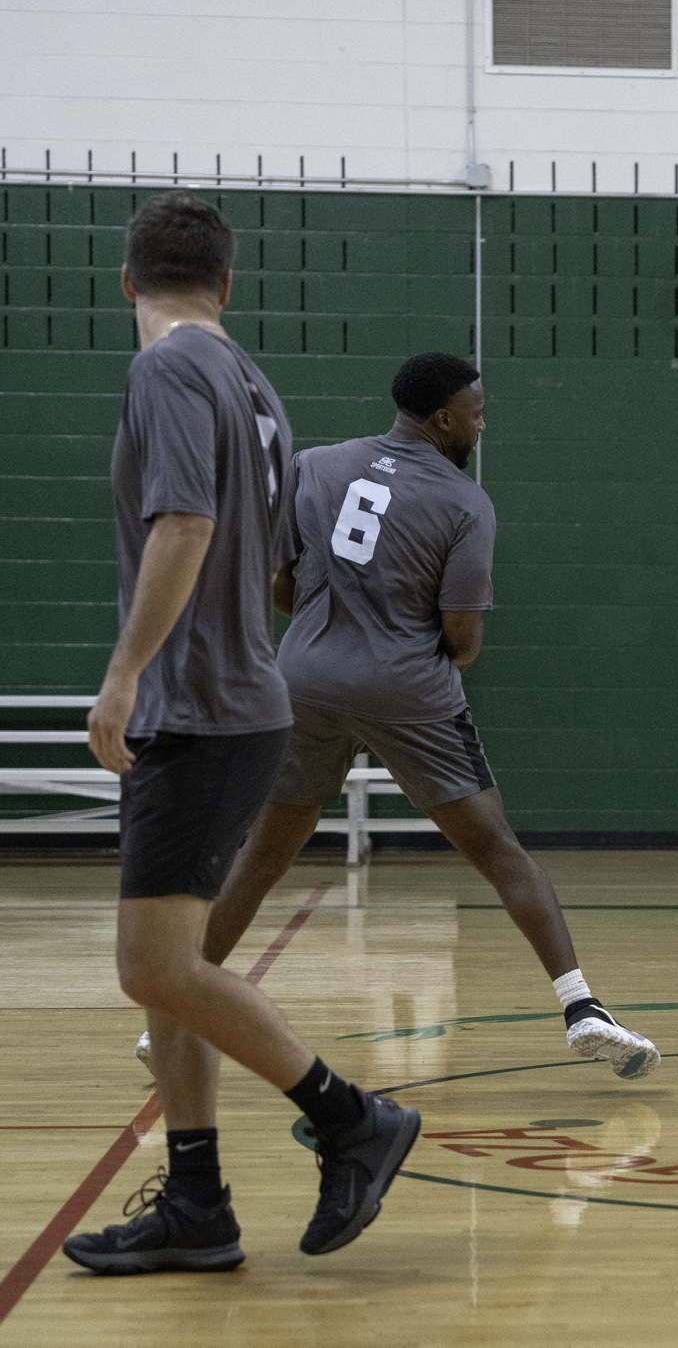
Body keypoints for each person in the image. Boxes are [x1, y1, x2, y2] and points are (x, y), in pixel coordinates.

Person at [64, 190, 418, 1275]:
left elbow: (187, 523)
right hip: (230, 699)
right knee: (173, 967)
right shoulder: (248, 378)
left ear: (127, 280)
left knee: (151, 965)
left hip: (201, 705)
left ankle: (352, 1115)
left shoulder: (167, 368)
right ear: (226, 283)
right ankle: (198, 1203)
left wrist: (123, 674)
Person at [135, 353, 658, 1083]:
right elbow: (461, 638)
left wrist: (326, 632)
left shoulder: (315, 465)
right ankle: (582, 1009)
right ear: (443, 418)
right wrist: (405, 656)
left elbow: (280, 582)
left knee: (263, 856)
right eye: (476, 412)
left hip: (303, 681)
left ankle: (171, 1013)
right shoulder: (465, 503)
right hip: (408, 691)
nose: (482, 423)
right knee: (499, 851)